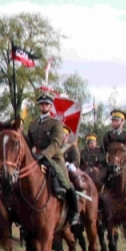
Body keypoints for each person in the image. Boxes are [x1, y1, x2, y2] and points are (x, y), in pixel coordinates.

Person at [25, 91, 80, 225]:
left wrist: (42, 155)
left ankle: (74, 212)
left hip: (53, 158)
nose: (44, 106)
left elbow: (56, 144)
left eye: (47, 104)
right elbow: (28, 143)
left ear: (50, 106)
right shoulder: (32, 124)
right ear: (39, 106)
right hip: (35, 158)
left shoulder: (56, 124)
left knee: (65, 183)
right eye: (42, 104)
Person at [61, 125, 85, 190]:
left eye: (62, 135)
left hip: (68, 170)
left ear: (66, 136)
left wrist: (68, 164)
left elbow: (77, 161)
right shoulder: (55, 147)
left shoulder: (72, 147)